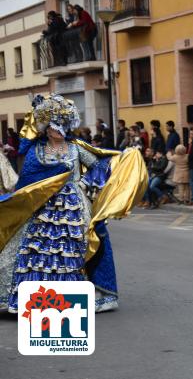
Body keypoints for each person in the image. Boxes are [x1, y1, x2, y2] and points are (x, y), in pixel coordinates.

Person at [0, 94, 147, 313]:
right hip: (43, 206)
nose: (58, 132)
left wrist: (125, 156)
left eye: (62, 127)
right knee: (39, 252)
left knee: (80, 246)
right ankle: (36, 297)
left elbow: (101, 164)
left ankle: (83, 294)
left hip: (75, 206)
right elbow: (27, 182)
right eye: (54, 128)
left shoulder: (76, 148)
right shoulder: (36, 151)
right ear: (46, 129)